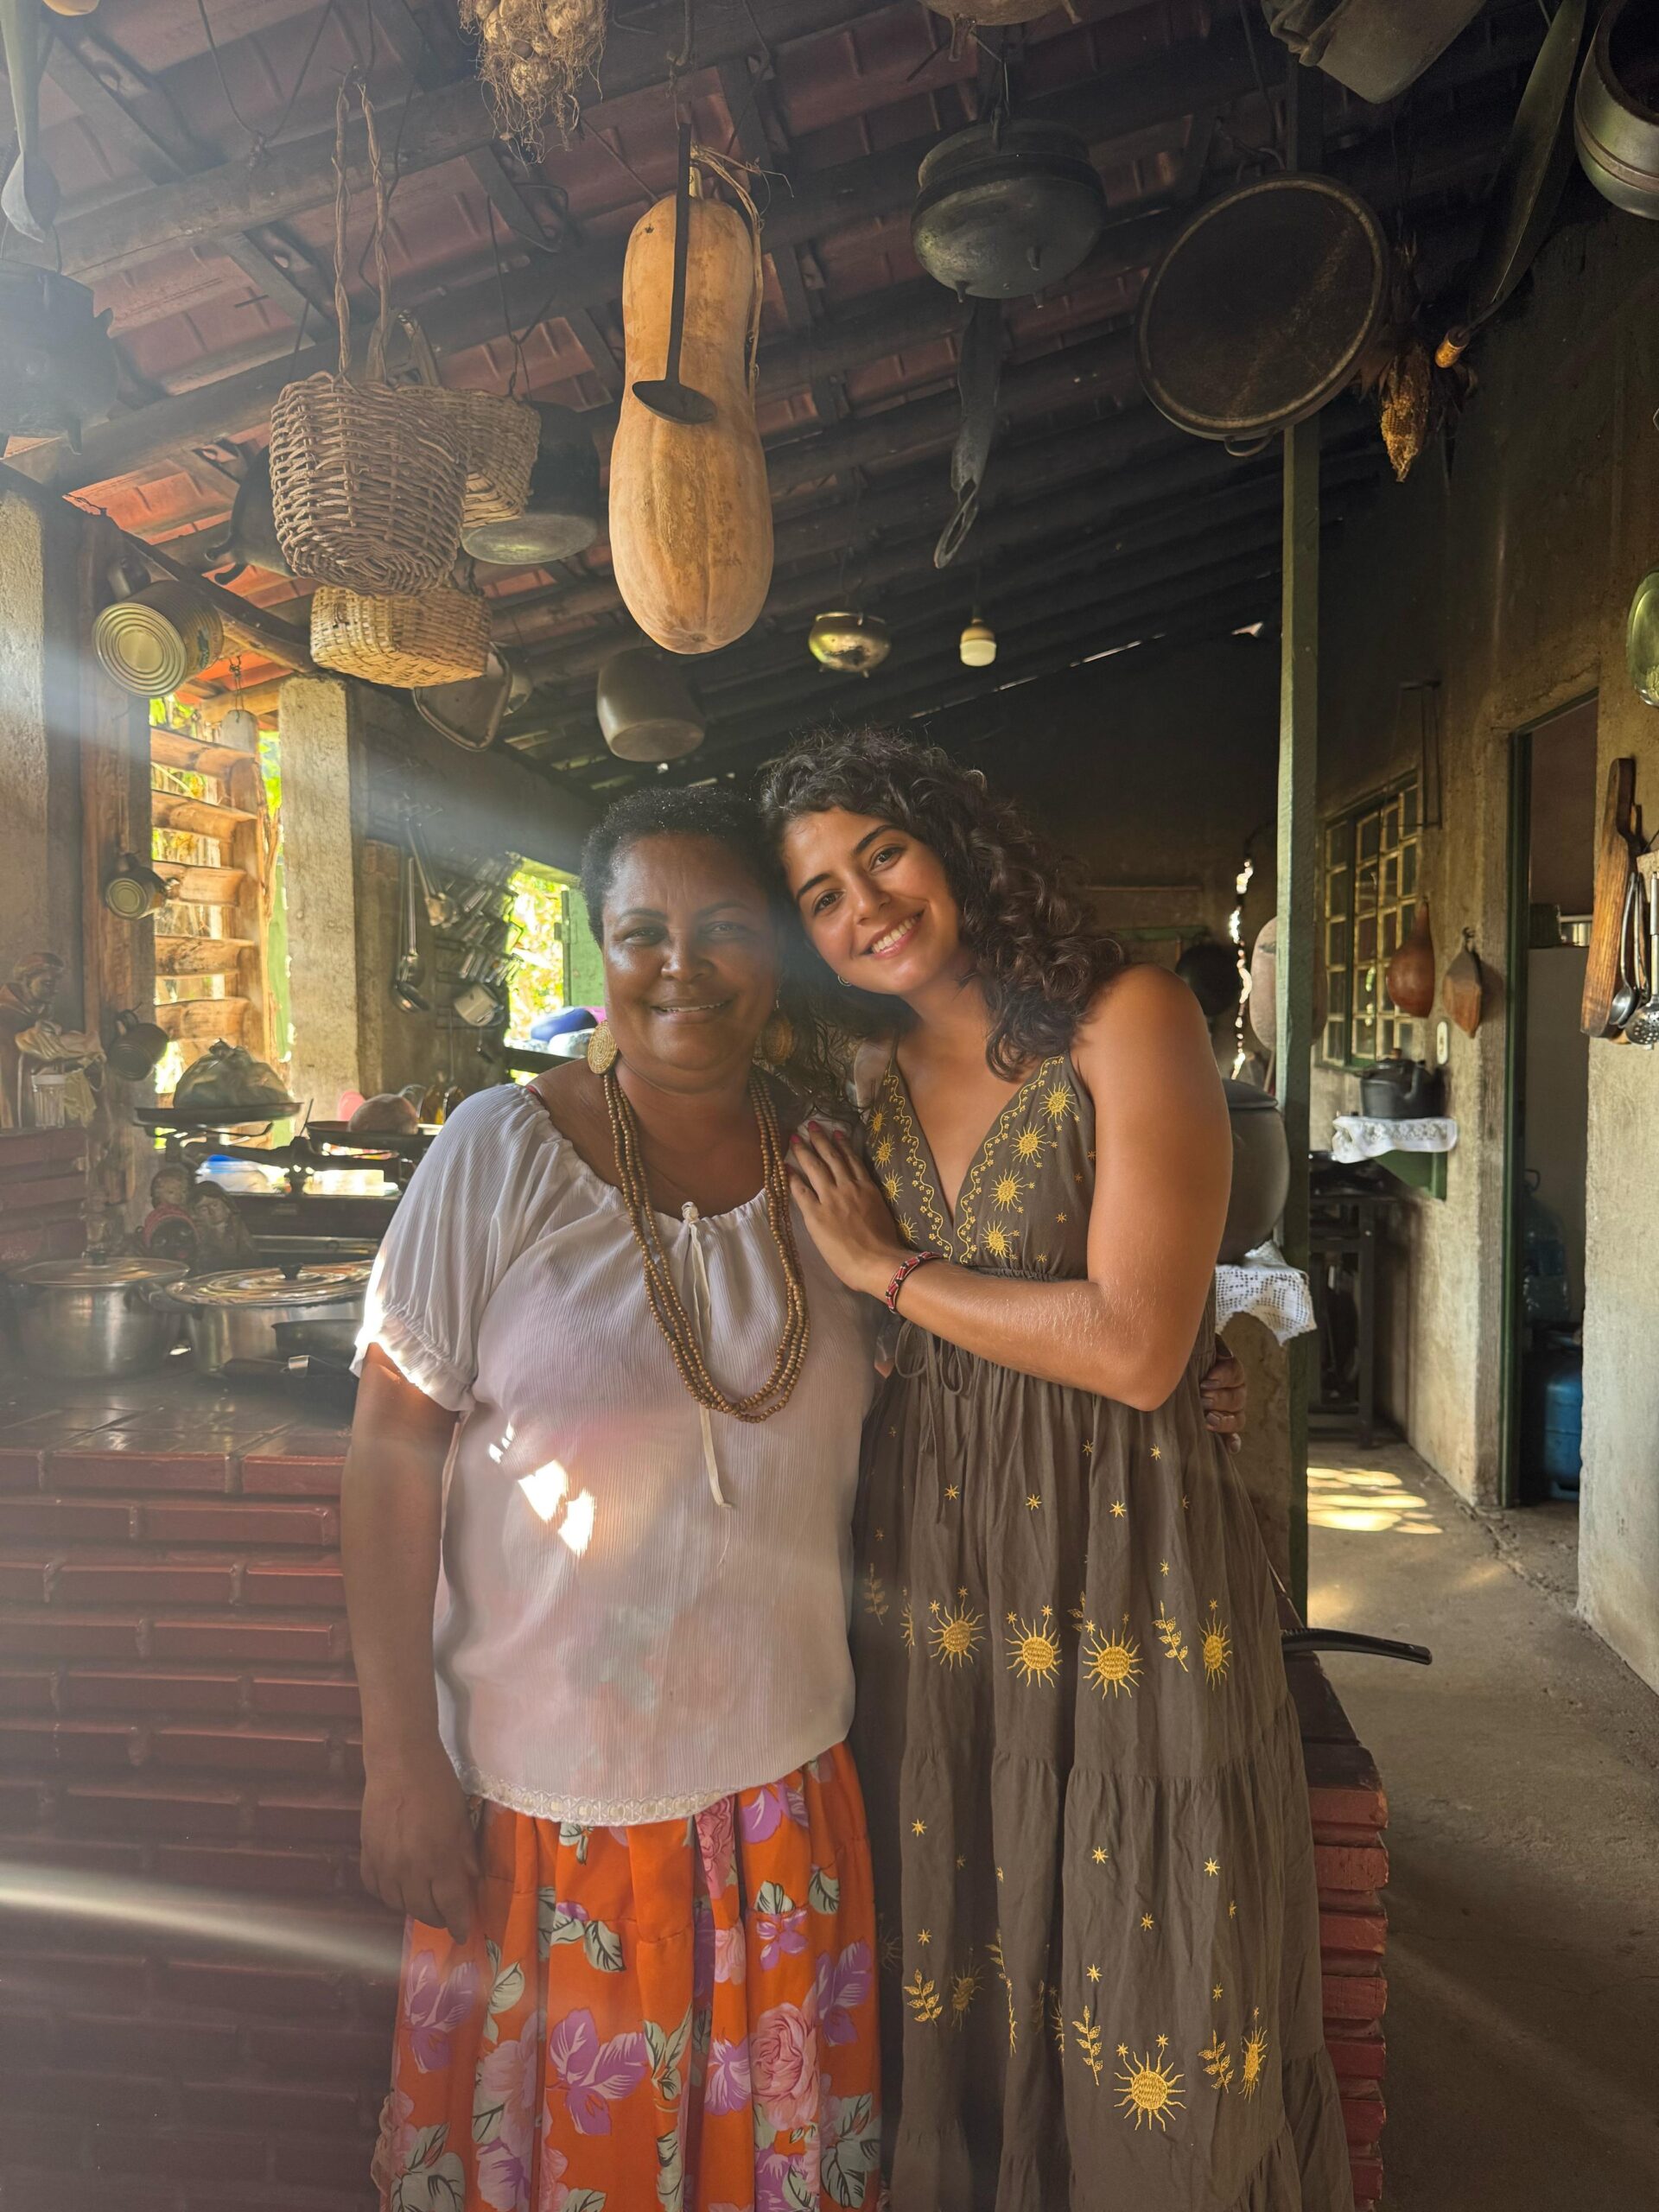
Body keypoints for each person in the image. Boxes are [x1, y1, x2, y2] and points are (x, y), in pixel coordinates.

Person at [762, 729, 1351, 2212]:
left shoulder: (1126, 1018)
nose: (865, 907)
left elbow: (1140, 1348)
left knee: (1147, 1922)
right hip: (930, 1560)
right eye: (822, 895)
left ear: (952, 841)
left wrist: (895, 1274)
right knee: (958, 1892)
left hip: (1126, 1546)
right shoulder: (863, 1072)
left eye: (882, 855)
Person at [344, 787, 886, 2212]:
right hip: (540, 1818)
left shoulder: (835, 1166)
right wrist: (400, 1761)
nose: (680, 966)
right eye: (643, 932)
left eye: (724, 928)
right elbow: (390, 1452)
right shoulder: (500, 1150)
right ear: (600, 953)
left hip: (779, 1807)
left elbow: (970, 1358)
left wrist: (1179, 1384)